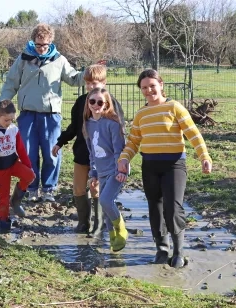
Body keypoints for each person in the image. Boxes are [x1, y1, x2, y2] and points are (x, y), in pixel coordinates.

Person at [118, 69, 212, 268]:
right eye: (144, 87)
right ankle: (161, 248)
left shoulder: (174, 107)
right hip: (150, 165)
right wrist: (124, 158)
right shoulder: (141, 113)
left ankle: (178, 252)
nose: (149, 90)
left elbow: (192, 133)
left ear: (161, 85)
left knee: (173, 208)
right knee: (155, 207)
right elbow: (134, 141)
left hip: (174, 164)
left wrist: (203, 156)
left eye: (152, 85)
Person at [0, 23, 86, 203]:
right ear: (33, 41)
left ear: (50, 41)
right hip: (28, 114)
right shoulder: (23, 59)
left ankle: (48, 189)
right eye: (38, 44)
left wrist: (88, 73)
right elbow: (11, 83)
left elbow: (74, 79)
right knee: (28, 153)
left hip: (51, 115)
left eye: (45, 44)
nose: (41, 48)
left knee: (52, 152)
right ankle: (31, 188)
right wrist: (3, 103)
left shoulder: (59, 60)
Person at [52, 64, 127, 237]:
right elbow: (74, 126)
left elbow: (119, 128)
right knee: (78, 188)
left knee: (96, 189)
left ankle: (98, 224)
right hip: (82, 152)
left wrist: (121, 157)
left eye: (95, 83)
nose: (92, 87)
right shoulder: (81, 102)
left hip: (104, 157)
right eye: (88, 83)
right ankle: (83, 221)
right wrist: (60, 142)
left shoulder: (111, 103)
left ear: (104, 82)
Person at [83, 87, 129, 252]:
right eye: (92, 101)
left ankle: (121, 228)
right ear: (88, 103)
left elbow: (119, 150)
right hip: (101, 171)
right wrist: (93, 172)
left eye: (100, 102)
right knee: (108, 203)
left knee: (105, 201)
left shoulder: (112, 123)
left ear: (106, 104)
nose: (96, 105)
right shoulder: (87, 125)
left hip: (115, 170)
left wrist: (121, 171)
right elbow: (92, 152)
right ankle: (112, 236)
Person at [0, 100, 35, 232]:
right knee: (3, 198)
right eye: (6, 120)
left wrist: (28, 166)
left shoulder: (13, 129)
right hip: (0, 170)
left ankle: (15, 201)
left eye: (11, 119)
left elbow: (21, 149)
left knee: (30, 176)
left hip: (13, 163)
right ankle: (4, 223)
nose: (9, 123)